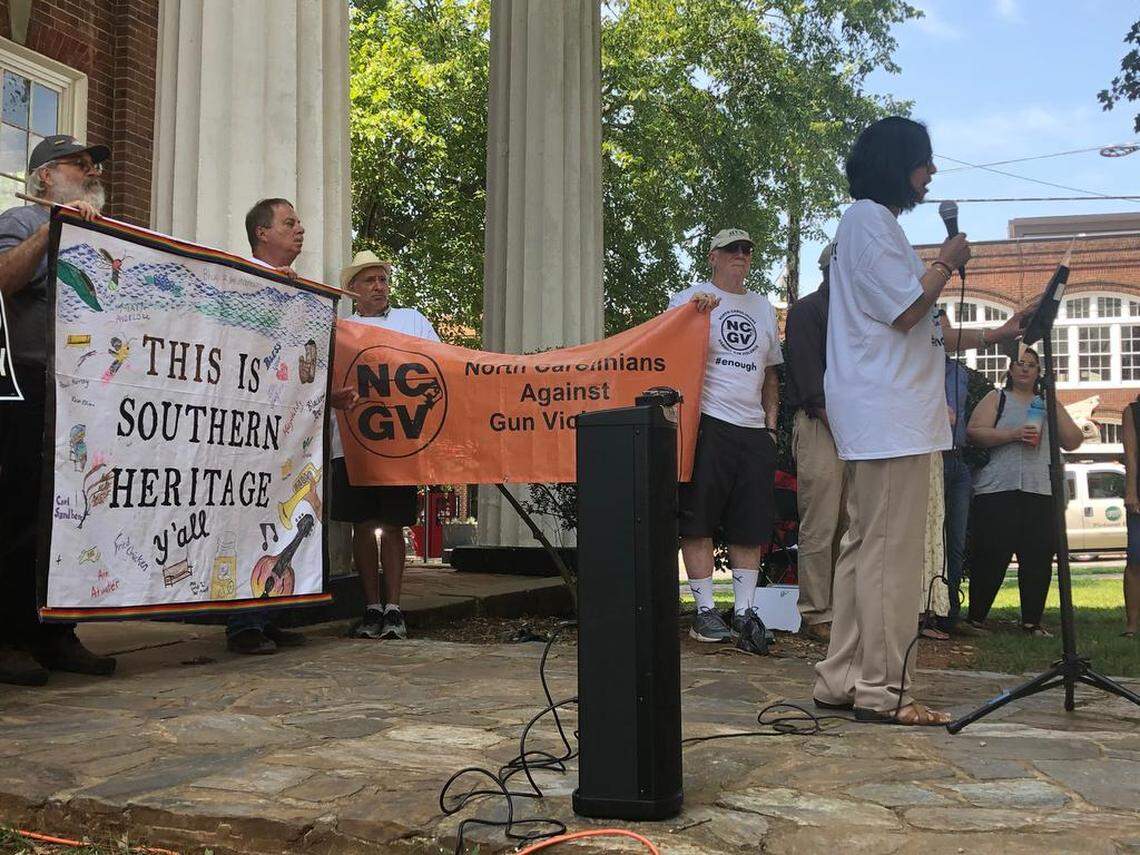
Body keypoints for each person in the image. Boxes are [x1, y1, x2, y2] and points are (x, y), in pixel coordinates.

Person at [812, 117, 970, 726]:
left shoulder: (872, 227)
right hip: (888, 415)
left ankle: (843, 676)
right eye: (924, 162)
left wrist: (1001, 331)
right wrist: (946, 261)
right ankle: (883, 689)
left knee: (864, 548)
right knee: (889, 554)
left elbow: (918, 323)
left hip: (886, 412)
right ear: (897, 163)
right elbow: (907, 309)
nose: (931, 173)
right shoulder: (869, 222)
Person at [0, 135, 114, 685]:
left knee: (70, 515)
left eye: (93, 167)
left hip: (83, 391)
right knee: (20, 513)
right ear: (44, 176)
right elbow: (4, 280)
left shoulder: (100, 231)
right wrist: (55, 228)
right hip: (29, 384)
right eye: (79, 164)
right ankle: (8, 636)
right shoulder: (21, 220)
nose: (91, 172)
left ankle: (55, 631)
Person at [667, 228, 782, 652]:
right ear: (713, 256)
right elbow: (667, 349)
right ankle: (704, 612)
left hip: (753, 429)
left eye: (747, 249)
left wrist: (771, 426)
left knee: (749, 525)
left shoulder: (763, 308)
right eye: (732, 249)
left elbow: (771, 372)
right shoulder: (690, 299)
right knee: (697, 519)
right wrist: (693, 318)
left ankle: (746, 612)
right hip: (708, 422)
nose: (741, 255)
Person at [330, 250, 439, 640]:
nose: (379, 286)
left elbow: (440, 364)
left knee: (394, 525)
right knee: (362, 525)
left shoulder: (412, 321)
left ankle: (394, 608)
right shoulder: (341, 328)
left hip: (399, 442)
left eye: (383, 279)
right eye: (370, 280)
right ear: (353, 289)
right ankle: (371, 606)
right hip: (352, 443)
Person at [224, 198, 311, 655]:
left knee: (276, 519)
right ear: (262, 233)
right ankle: (242, 624)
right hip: (246, 426)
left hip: (284, 429)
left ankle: (266, 611)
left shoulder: (300, 292)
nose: (300, 229)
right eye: (289, 223)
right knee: (244, 518)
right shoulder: (239, 278)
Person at [965, 345, 1083, 636]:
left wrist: (1054, 406)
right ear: (1010, 370)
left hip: (1040, 489)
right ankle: (976, 617)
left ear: (1039, 373)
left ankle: (1032, 621)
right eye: (1019, 363)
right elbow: (975, 432)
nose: (1025, 369)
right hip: (997, 489)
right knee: (991, 553)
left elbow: (1073, 440)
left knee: (1038, 556)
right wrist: (1013, 434)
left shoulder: (1046, 403)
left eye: (1031, 365)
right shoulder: (997, 398)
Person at [784, 241, 845, 643]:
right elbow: (810, 384)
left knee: (852, 525)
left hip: (856, 430)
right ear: (830, 269)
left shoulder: (858, 314)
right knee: (820, 525)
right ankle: (816, 612)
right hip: (821, 426)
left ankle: (845, 610)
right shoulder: (807, 311)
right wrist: (845, 426)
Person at [1123, 399, 1140, 639]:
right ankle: (1132, 623)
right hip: (1139, 494)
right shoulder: (1133, 412)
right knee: (1136, 557)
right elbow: (1131, 453)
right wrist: (1131, 490)